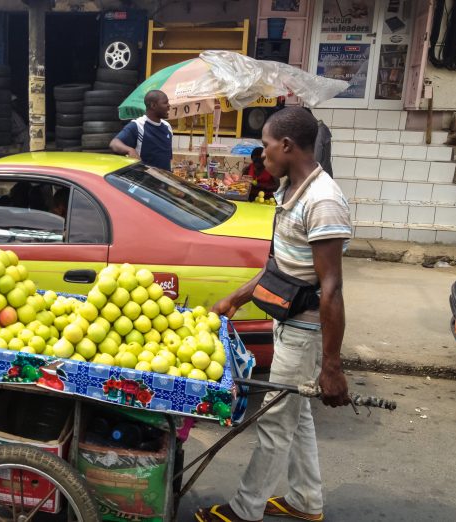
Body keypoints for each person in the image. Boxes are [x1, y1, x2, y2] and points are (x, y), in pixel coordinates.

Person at [196, 107, 352, 522]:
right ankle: (306, 501)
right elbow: (281, 265)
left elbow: (332, 289)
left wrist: (332, 366)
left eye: (264, 146)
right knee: (297, 416)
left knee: (275, 421)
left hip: (304, 331)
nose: (261, 154)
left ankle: (245, 510)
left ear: (286, 146)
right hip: (287, 322)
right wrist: (237, 297)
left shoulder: (323, 202)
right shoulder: (290, 192)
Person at [109, 89, 173, 171]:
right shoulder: (138, 126)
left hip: (165, 179)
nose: (169, 105)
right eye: (165, 103)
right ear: (153, 105)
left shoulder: (167, 127)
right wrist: (130, 150)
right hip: (145, 181)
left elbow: (168, 157)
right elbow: (114, 143)